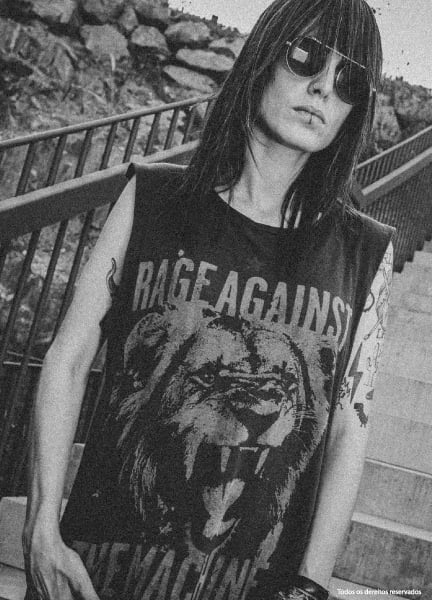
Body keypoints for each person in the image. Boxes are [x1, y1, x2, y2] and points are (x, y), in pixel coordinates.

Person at [22, 0, 395, 599]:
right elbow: (68, 358)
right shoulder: (152, 199)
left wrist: (310, 590)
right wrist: (41, 527)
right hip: (100, 577)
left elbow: (348, 431)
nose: (324, 87)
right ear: (263, 57)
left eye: (348, 79)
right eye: (307, 56)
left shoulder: (364, 251)